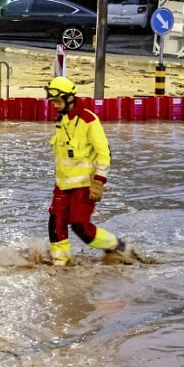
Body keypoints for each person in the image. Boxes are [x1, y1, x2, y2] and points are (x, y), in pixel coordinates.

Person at [45, 76, 137, 266]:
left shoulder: (88, 120)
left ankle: (117, 246)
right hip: (62, 184)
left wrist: (99, 181)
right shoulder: (61, 120)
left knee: (81, 227)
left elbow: (104, 153)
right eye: (53, 101)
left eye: (58, 101)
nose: (55, 105)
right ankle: (60, 264)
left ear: (70, 98)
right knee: (55, 222)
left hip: (84, 186)